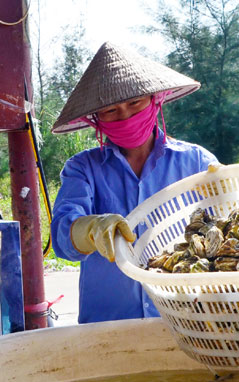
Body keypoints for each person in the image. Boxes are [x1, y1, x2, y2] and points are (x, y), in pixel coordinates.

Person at [50, 42, 219, 324]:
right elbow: (63, 239)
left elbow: (232, 224)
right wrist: (91, 229)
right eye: (110, 110)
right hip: (108, 325)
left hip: (188, 321)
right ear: (96, 120)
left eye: (134, 103)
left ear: (156, 99)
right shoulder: (83, 168)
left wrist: (226, 189)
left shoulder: (197, 163)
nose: (126, 116)